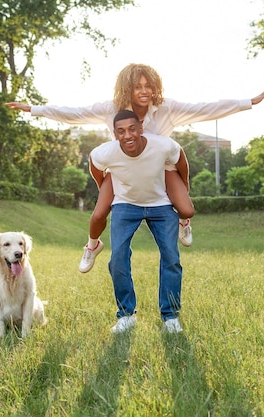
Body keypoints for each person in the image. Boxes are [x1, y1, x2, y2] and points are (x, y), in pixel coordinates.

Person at [7, 63, 264, 274]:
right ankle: (92, 246)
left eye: (148, 86)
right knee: (99, 213)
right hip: (122, 168)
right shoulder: (111, 109)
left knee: (186, 208)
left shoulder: (167, 108)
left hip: (161, 168)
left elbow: (206, 108)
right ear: (127, 89)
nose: (144, 91)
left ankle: (184, 222)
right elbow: (74, 113)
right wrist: (34, 109)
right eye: (137, 87)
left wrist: (248, 101)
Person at [89, 109, 186, 333]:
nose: (128, 135)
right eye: (121, 131)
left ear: (141, 128)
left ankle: (170, 317)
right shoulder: (105, 152)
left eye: (132, 129)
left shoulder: (163, 145)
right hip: (125, 204)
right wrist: (104, 186)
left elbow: (180, 160)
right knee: (118, 258)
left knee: (171, 257)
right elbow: (95, 166)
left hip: (160, 203)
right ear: (114, 134)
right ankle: (126, 315)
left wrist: (183, 191)